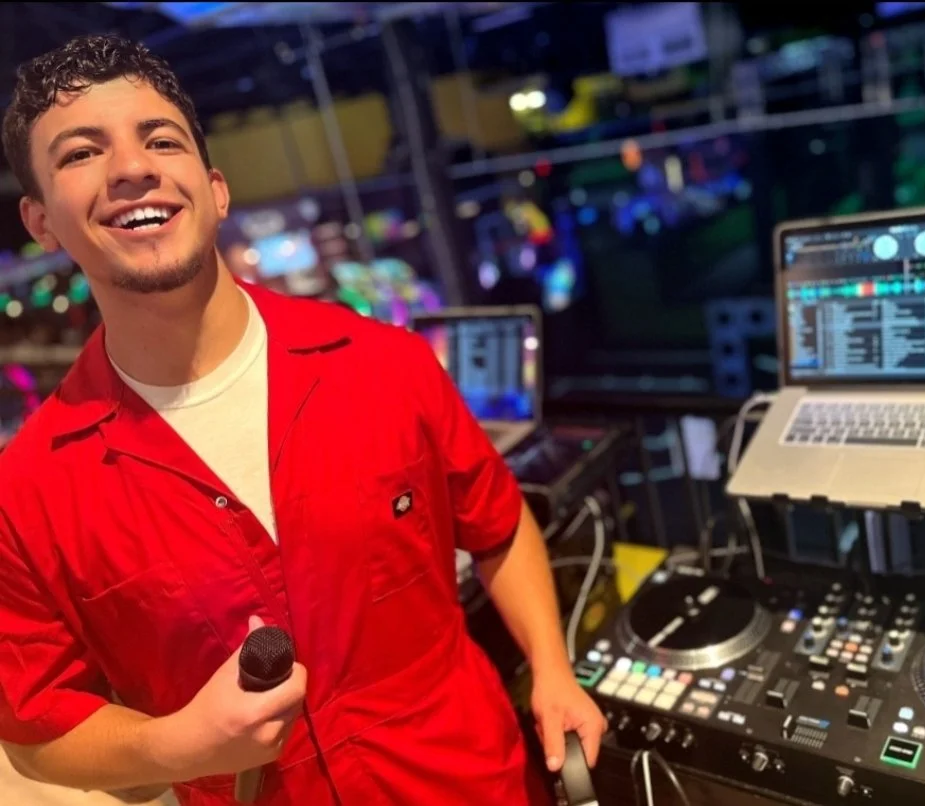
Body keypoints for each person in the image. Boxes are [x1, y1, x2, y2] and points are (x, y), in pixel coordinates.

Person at [0, 34, 606, 805]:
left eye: (160, 139)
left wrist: (551, 671)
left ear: (214, 189)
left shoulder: (385, 363)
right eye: (81, 154)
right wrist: (172, 745)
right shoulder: (28, 490)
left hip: (473, 780)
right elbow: (39, 732)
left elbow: (495, 524)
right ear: (41, 222)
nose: (130, 167)